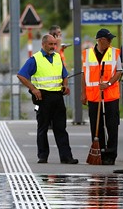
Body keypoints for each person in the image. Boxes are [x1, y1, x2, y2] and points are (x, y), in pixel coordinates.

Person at [17, 34, 78, 164]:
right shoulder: (35, 59)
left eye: (54, 44)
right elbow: (21, 75)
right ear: (43, 44)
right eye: (50, 44)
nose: (53, 47)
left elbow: (64, 74)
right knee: (43, 127)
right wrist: (33, 89)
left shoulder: (57, 57)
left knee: (61, 128)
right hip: (42, 97)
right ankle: (43, 156)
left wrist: (65, 86)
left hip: (57, 96)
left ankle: (66, 157)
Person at [81, 28, 123, 165]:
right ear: (100, 40)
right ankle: (100, 151)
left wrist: (109, 83)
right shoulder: (87, 54)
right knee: (96, 126)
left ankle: (110, 155)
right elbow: (83, 75)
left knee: (112, 125)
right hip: (93, 95)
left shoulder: (115, 52)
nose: (110, 42)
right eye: (108, 39)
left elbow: (119, 72)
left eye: (111, 39)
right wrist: (83, 93)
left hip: (111, 95)